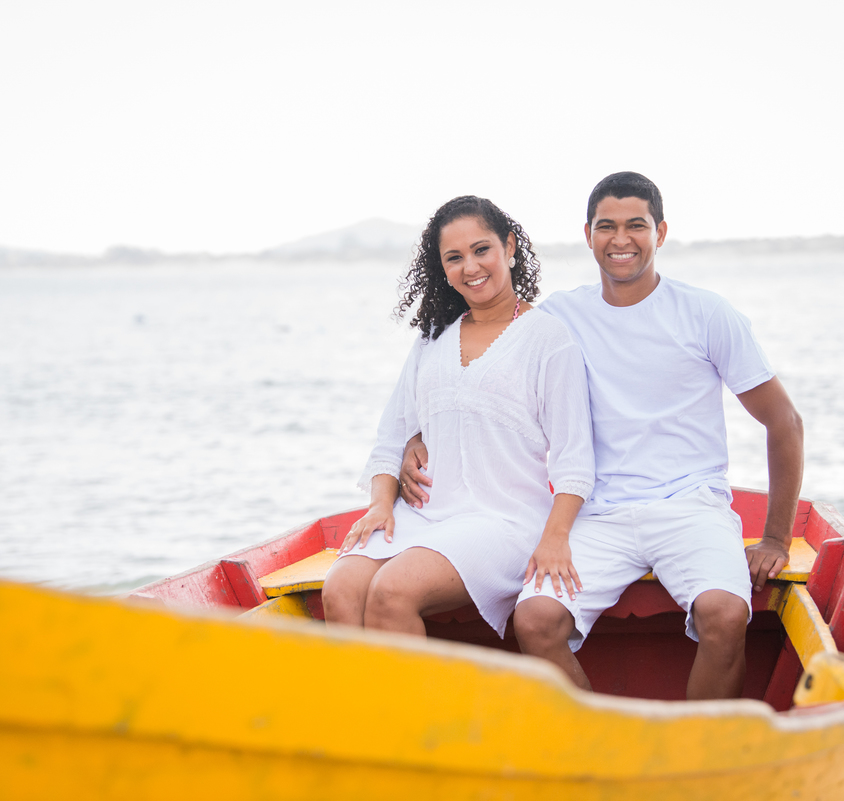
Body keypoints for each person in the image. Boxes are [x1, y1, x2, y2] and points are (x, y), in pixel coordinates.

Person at [400, 173, 804, 699]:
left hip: (691, 506)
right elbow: (476, 369)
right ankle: (606, 738)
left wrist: (775, 538)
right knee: (535, 620)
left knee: (725, 615)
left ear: (660, 232)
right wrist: (417, 435)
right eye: (606, 226)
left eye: (636, 225)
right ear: (588, 234)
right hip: (596, 514)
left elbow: (784, 422)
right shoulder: (560, 317)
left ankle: (694, 748)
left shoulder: (706, 314)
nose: (620, 239)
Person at [321, 195, 594, 642]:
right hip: (425, 515)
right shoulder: (433, 338)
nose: (470, 267)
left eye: (481, 249)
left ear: (509, 247)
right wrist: (380, 505)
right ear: (442, 268)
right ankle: (370, 693)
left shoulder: (548, 338)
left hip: (504, 521)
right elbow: (393, 434)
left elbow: (574, 457)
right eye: (454, 257)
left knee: (392, 591)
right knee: (340, 588)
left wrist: (555, 537)